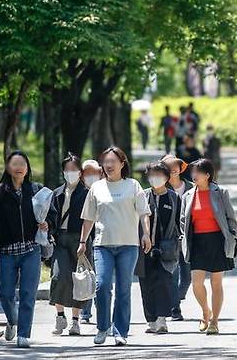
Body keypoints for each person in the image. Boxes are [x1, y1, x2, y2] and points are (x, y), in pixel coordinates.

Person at [0, 150, 57, 348]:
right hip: (7, 252)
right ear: (8, 167)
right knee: (5, 293)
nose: (20, 167)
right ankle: (12, 321)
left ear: (28, 168)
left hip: (31, 250)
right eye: (15, 163)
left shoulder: (36, 190)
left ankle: (23, 334)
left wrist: (47, 223)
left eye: (23, 163)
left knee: (28, 294)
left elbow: (51, 213)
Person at [78, 146, 153, 346]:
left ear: (122, 163)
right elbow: (88, 218)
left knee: (123, 289)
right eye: (106, 161)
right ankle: (103, 327)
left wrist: (146, 234)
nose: (109, 165)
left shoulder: (133, 185)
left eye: (113, 161)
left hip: (129, 245)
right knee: (102, 286)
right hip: (102, 245)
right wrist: (83, 241)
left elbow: (144, 213)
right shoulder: (97, 188)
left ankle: (121, 331)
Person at [180, 159, 237, 335]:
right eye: (192, 172)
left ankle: (214, 321)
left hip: (218, 240)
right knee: (196, 283)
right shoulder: (188, 196)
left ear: (207, 175)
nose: (194, 175)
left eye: (197, 172)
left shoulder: (220, 192)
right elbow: (183, 220)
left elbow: (230, 217)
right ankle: (206, 311)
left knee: (216, 282)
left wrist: (232, 236)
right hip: (197, 241)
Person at [49, 153, 92, 336]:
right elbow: (51, 216)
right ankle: (60, 316)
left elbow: (89, 219)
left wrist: (84, 241)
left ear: (80, 172)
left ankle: (75, 321)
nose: (70, 173)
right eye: (67, 170)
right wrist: (48, 228)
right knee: (58, 276)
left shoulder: (87, 193)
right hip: (60, 240)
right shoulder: (57, 193)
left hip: (79, 239)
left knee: (78, 280)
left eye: (74, 170)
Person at [136, 162, 181, 334]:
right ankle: (151, 319)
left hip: (166, 247)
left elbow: (179, 221)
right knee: (146, 283)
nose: (155, 178)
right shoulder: (143, 196)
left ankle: (162, 319)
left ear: (167, 177)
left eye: (159, 175)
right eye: (152, 175)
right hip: (144, 247)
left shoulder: (173, 197)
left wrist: (180, 242)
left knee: (163, 281)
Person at [160, 155, 193, 321]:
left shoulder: (191, 187)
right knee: (173, 274)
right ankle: (175, 309)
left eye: (176, 165)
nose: (173, 168)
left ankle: (175, 299)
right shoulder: (161, 189)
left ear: (181, 168)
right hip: (169, 239)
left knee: (187, 277)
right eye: (168, 166)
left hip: (188, 237)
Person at [78, 158, 101, 324]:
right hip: (84, 239)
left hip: (101, 237)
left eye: (95, 173)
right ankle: (85, 311)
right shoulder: (77, 192)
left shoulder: (104, 190)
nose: (91, 176)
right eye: (88, 173)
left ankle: (102, 312)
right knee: (86, 274)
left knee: (100, 277)